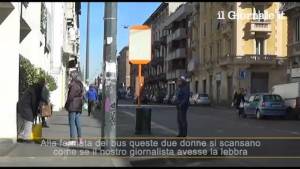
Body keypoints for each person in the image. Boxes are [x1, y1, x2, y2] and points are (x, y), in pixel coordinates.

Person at [17, 78, 47, 143]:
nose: (44, 85)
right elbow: (34, 100)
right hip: (26, 105)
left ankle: (21, 136)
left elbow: (38, 98)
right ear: (42, 83)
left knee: (25, 121)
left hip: (24, 104)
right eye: (44, 83)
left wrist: (44, 101)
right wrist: (34, 111)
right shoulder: (36, 89)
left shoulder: (36, 87)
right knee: (29, 120)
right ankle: (26, 138)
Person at [64, 71, 84, 145]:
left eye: (70, 76)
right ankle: (80, 139)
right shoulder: (80, 84)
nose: (69, 77)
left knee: (72, 122)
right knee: (77, 122)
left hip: (73, 105)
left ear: (73, 76)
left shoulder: (73, 84)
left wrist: (66, 104)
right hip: (78, 105)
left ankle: (72, 140)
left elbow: (71, 96)